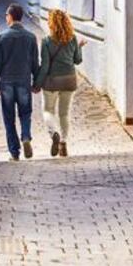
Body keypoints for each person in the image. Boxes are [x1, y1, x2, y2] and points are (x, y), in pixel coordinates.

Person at [34, 9, 87, 157]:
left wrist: (37, 84)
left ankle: (54, 133)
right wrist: (80, 47)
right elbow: (77, 60)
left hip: (52, 82)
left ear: (51, 23)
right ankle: (63, 144)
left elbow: (44, 66)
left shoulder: (46, 41)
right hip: (69, 80)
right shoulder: (73, 38)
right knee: (64, 114)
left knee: (48, 110)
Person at [0, 3, 40, 161]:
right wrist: (36, 83)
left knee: (9, 117)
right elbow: (35, 62)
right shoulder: (31, 37)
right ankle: (26, 136)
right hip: (24, 81)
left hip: (7, 83)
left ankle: (14, 152)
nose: (6, 17)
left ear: (11, 16)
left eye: (6, 14)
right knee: (25, 113)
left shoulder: (2, 37)